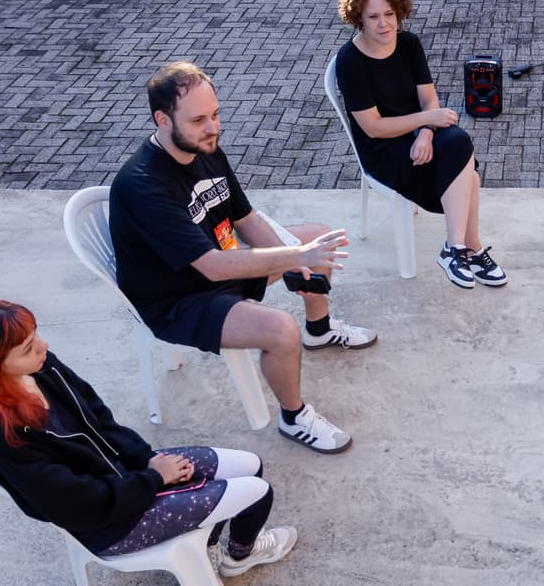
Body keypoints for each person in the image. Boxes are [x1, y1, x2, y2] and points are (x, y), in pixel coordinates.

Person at [110, 61, 375, 455]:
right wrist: (293, 256)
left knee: (318, 236)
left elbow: (245, 219)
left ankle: (319, 329)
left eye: (215, 115)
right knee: (280, 330)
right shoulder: (143, 185)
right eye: (198, 119)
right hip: (179, 299)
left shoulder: (204, 149)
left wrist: (296, 260)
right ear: (162, 120)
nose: (213, 128)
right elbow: (212, 267)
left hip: (221, 261)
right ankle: (294, 417)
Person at [0, 298, 296, 576]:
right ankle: (240, 556)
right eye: (27, 348)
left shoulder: (42, 366)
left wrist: (146, 459)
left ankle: (207, 546)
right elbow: (76, 502)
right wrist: (154, 479)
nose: (43, 346)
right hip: (110, 523)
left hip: (125, 474)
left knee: (251, 466)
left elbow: (101, 420)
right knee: (258, 493)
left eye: (35, 336)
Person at [334, 0, 507, 289]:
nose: (384, 24)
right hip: (383, 149)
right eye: (373, 17)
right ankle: (469, 248)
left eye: (389, 14)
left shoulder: (409, 44)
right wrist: (427, 122)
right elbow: (373, 127)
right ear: (358, 17)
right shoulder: (350, 61)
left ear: (399, 12)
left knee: (458, 142)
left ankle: (455, 248)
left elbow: (428, 100)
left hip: (417, 134)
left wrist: (426, 133)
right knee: (467, 174)